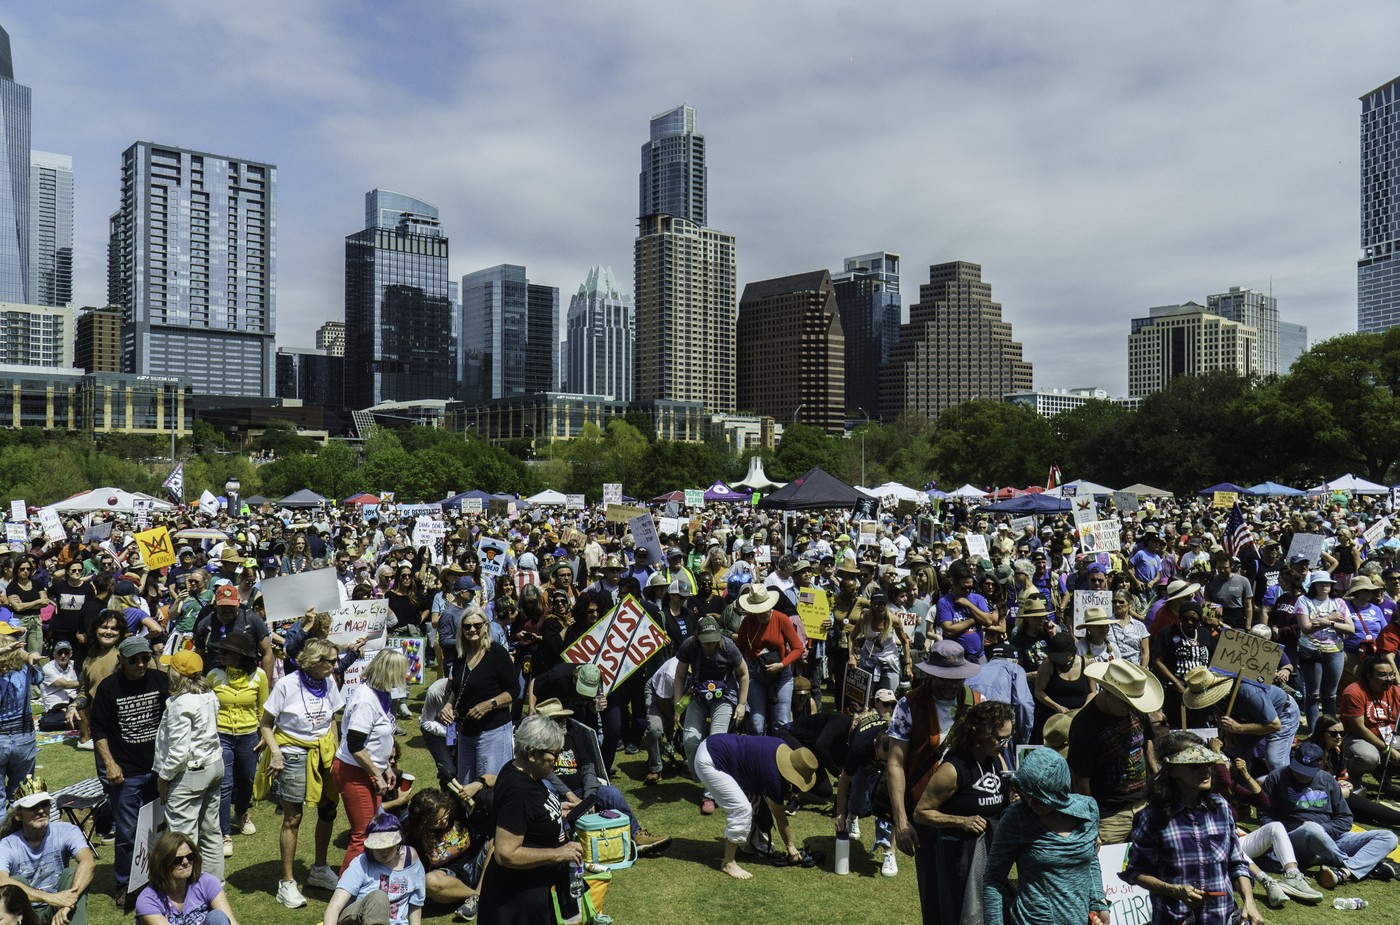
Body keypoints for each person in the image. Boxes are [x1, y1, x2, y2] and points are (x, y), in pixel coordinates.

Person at [886, 641, 983, 911]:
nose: (952, 684)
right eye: (945, 678)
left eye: (957, 678)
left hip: (970, 814)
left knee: (970, 894)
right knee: (933, 893)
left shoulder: (976, 703)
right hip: (926, 816)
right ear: (930, 673)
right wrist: (901, 822)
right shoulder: (908, 705)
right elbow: (895, 764)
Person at [256, 637, 344, 908]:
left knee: (328, 809)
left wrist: (336, 751)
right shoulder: (287, 684)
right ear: (315, 662)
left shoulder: (329, 681)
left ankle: (319, 868)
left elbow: (332, 718)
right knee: (293, 818)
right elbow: (266, 724)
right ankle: (287, 883)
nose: (335, 665)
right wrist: (276, 752)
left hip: (324, 751)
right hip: (293, 752)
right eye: (330, 661)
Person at [912, 700, 1013, 925]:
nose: (1005, 745)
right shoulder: (952, 769)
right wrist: (961, 821)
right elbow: (921, 812)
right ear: (979, 734)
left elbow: (1002, 798)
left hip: (991, 855)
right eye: (999, 738)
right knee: (959, 915)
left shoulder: (996, 759)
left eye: (1008, 738)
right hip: (958, 859)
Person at [983, 747, 1108, 925]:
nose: (1031, 803)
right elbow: (993, 879)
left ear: (1058, 792)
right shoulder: (1017, 818)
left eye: (1040, 798)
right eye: (1027, 795)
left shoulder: (1088, 810)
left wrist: (1098, 902)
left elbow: (1091, 860)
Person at [478, 715, 583, 925]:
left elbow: (529, 815)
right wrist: (558, 853)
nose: (558, 760)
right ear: (533, 753)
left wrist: (553, 810)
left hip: (533, 895)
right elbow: (506, 853)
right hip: (516, 905)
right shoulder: (518, 791)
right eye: (554, 754)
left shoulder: (520, 771)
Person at [89, 635, 169, 908]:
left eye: (145, 658)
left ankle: (157, 879)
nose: (141, 664)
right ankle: (125, 884)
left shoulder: (160, 681)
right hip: (126, 773)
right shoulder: (109, 688)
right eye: (134, 660)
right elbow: (98, 730)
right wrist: (110, 764)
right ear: (121, 660)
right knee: (127, 833)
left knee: (158, 829)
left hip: (157, 770)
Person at [1258, 741, 1400, 887]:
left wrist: (1323, 829)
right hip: (1295, 840)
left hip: (1333, 839)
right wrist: (1280, 836)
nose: (1301, 776)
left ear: (1320, 764)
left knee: (1388, 837)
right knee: (1311, 829)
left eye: (1307, 772)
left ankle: (1344, 870)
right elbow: (1265, 815)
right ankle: (1360, 866)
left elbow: (1345, 819)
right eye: (1298, 769)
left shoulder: (1327, 779)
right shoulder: (1277, 777)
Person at [692, 732, 819, 879]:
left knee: (749, 804)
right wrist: (790, 846)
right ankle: (728, 862)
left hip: (713, 742)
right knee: (742, 808)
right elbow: (780, 817)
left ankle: (740, 845)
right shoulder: (772, 777)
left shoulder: (779, 744)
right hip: (710, 761)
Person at [1067, 659, 1162, 843]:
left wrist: (1156, 776)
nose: (1130, 708)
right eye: (1125, 703)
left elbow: (1147, 742)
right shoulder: (1085, 726)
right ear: (1108, 692)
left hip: (1144, 803)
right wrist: (1090, 823)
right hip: (1110, 817)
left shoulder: (1136, 708)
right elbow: (1080, 782)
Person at [334, 648, 409, 873]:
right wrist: (377, 774)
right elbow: (355, 745)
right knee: (363, 834)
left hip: (367, 769)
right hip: (354, 771)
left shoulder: (380, 695)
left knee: (373, 829)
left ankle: (368, 880)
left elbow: (375, 741)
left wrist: (385, 766)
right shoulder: (366, 700)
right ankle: (346, 891)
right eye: (401, 672)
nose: (404, 677)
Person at [154, 650, 224, 883]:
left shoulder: (179, 703)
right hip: (214, 765)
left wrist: (164, 777)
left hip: (190, 773)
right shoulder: (209, 694)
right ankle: (215, 884)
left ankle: (188, 887)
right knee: (211, 830)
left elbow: (178, 751)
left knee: (182, 838)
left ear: (176, 673)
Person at [205, 631, 268, 859]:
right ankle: (224, 834)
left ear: (240, 656)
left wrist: (264, 734)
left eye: (226, 652)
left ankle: (241, 813)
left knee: (247, 778)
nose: (220, 654)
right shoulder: (213, 676)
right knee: (224, 784)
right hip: (221, 736)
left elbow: (263, 709)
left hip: (249, 735)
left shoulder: (259, 677)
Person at [671, 616, 748, 802]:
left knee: (715, 742)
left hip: (725, 697)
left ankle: (710, 794)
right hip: (697, 696)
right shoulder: (689, 645)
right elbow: (680, 676)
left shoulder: (728, 647)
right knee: (689, 740)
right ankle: (701, 775)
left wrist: (741, 704)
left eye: (714, 640)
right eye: (706, 641)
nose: (710, 644)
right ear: (697, 637)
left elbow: (744, 675)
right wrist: (678, 705)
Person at [0, 776, 95, 925]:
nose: (41, 811)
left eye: (45, 804)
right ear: (18, 815)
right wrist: (49, 898)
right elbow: (1, 880)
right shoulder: (7, 845)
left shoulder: (67, 831)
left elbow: (88, 862)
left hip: (60, 905)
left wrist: (68, 902)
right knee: (15, 882)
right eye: (33, 807)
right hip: (24, 911)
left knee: (72, 873)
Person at [403, 784, 494, 922]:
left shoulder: (455, 804)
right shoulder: (412, 836)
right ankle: (476, 896)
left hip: (477, 859)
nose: (445, 822)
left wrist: (478, 783)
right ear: (423, 823)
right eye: (437, 821)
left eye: (445, 815)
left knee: (499, 840)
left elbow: (491, 779)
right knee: (430, 882)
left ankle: (478, 894)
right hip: (451, 878)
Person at [449, 606, 516, 784]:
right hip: (465, 731)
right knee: (465, 787)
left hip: (492, 731)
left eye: (477, 625)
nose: (472, 630)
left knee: (488, 786)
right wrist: (448, 706)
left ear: (486, 626)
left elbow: (513, 691)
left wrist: (489, 704)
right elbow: (457, 687)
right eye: (467, 626)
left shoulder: (497, 654)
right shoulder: (460, 654)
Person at [323, 814, 424, 925]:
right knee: (379, 897)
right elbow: (334, 906)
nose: (384, 852)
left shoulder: (411, 860)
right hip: (357, 919)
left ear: (399, 843)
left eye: (389, 847)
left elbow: (416, 903)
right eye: (379, 847)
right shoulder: (361, 863)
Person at [1292, 569, 1354, 730]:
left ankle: (1330, 728)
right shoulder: (1303, 601)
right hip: (1311, 651)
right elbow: (1305, 627)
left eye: (1327, 583)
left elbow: (1350, 628)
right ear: (1314, 585)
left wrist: (1326, 622)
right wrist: (1331, 618)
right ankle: (1314, 730)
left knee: (1331, 695)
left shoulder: (1339, 602)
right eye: (1320, 584)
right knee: (1313, 694)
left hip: (1334, 650)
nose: (1324, 586)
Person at [134, 831, 238, 925]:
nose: (186, 862)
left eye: (190, 856)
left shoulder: (207, 883)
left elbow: (231, 922)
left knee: (217, 917)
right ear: (163, 864)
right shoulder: (148, 900)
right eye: (177, 860)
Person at [1338, 655, 1400, 787]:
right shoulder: (1354, 692)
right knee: (1367, 757)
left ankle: (1383, 771)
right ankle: (1349, 776)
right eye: (1383, 675)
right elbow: (1358, 729)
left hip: (1388, 736)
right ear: (1368, 676)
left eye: (1391, 674)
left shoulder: (1395, 692)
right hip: (1357, 737)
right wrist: (1387, 750)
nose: (1389, 679)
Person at [0, 626, 41, 820]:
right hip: (23, 737)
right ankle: (21, 838)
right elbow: (39, 677)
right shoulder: (24, 669)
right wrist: (30, 657)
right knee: (21, 794)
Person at [1032, 633, 1095, 743]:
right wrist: (1057, 707)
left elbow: (1093, 692)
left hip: (1079, 718)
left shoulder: (1086, 663)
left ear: (1071, 653)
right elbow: (1039, 691)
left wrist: (1083, 710)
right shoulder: (1048, 664)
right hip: (1054, 720)